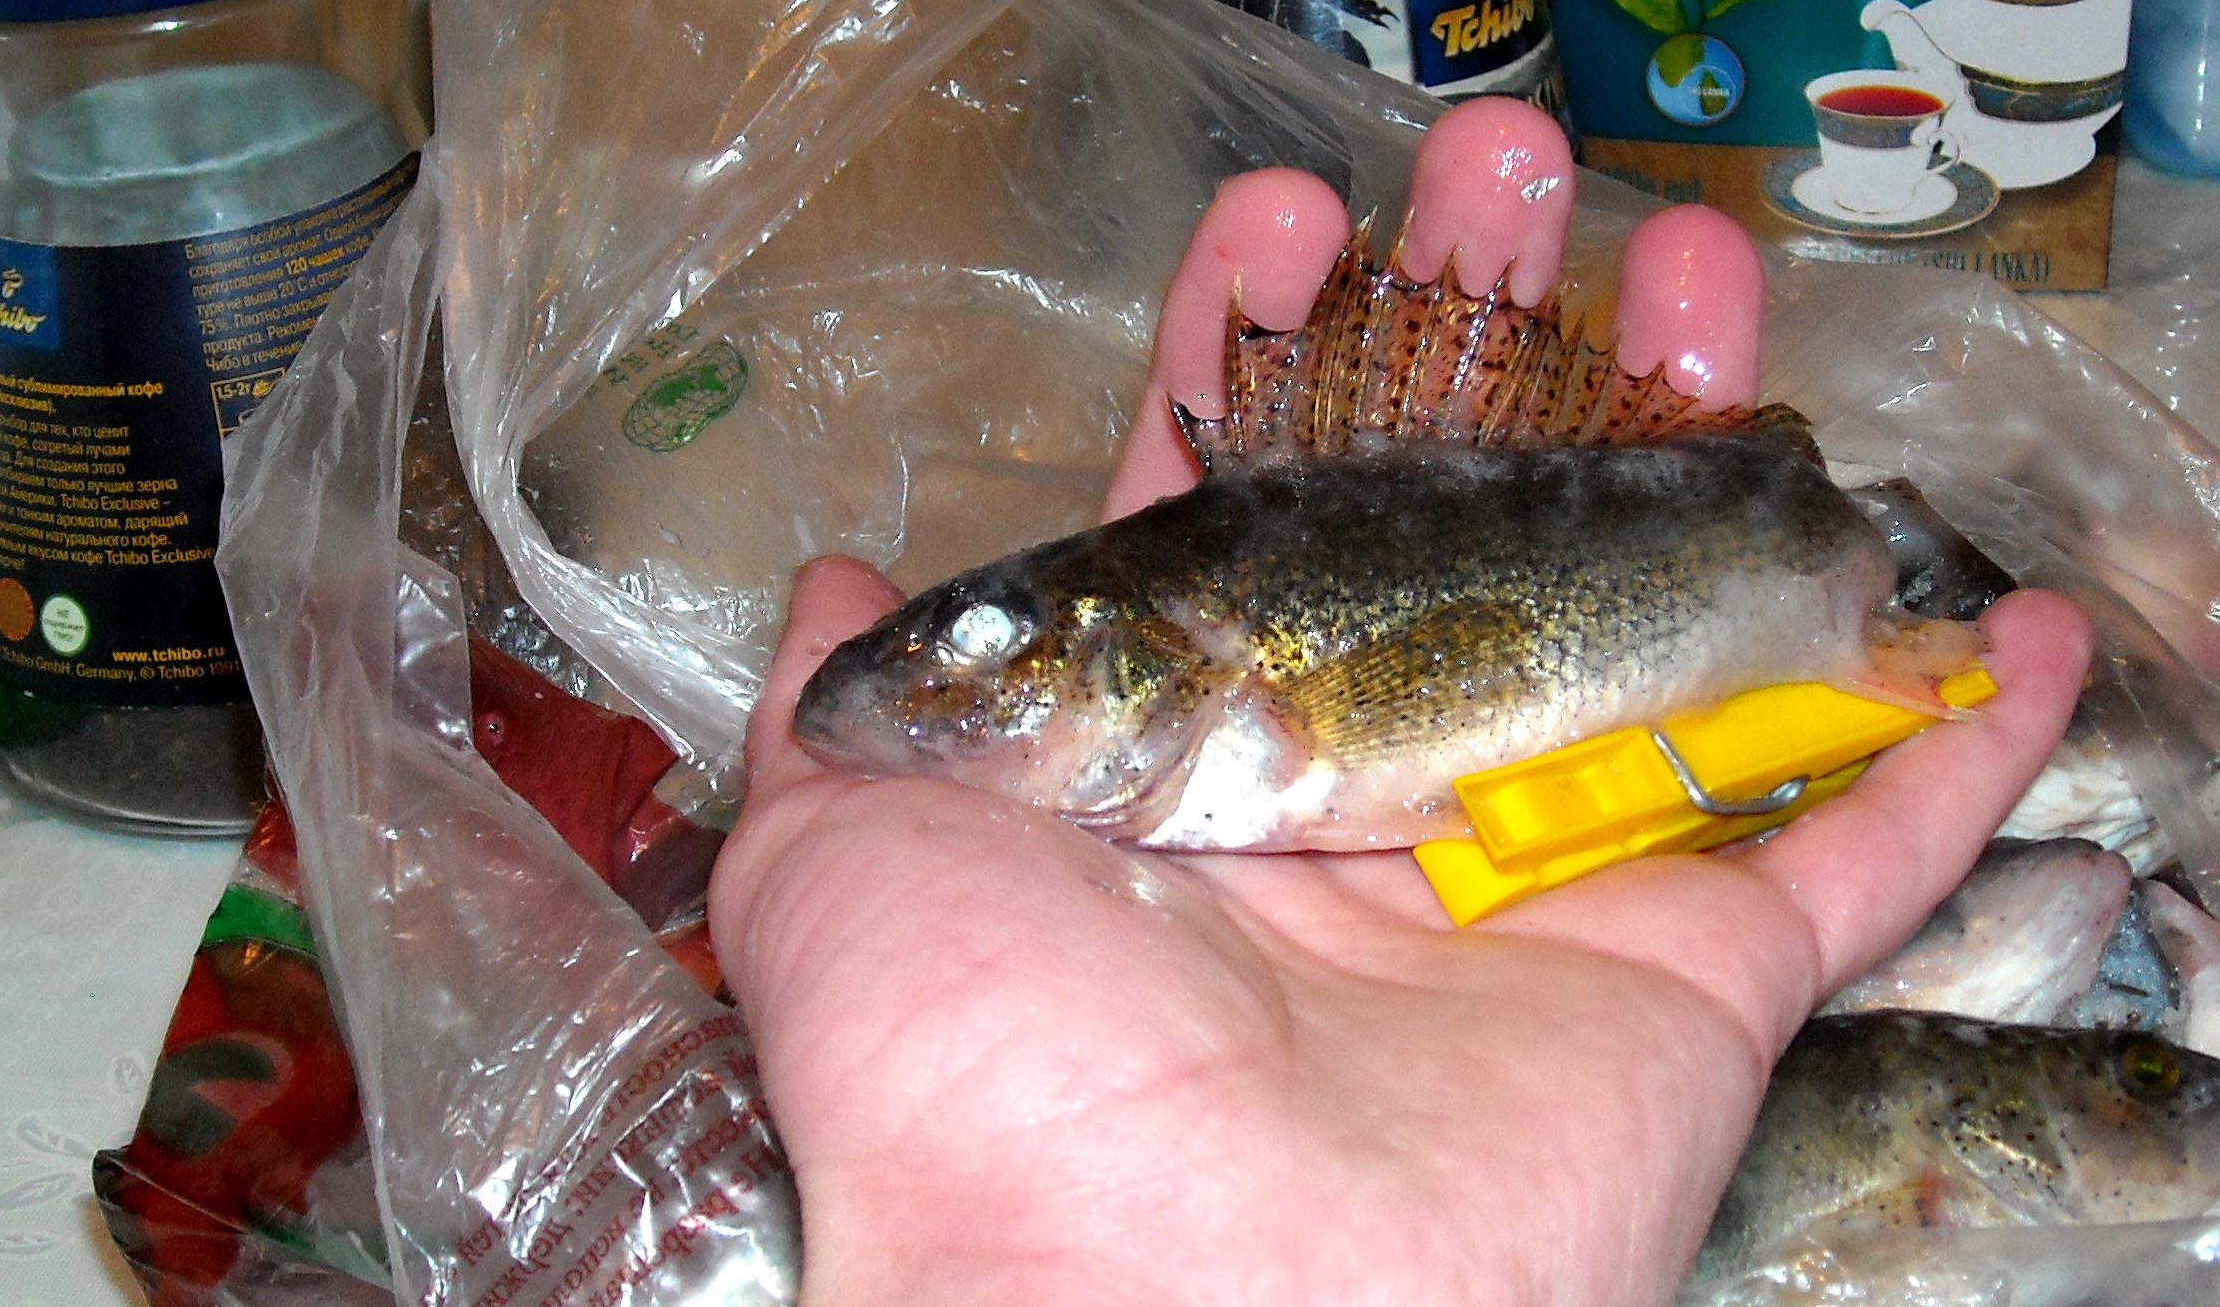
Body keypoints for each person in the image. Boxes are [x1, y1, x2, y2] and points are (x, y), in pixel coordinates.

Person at [706, 98, 2091, 1306]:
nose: (941, 681)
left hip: (1797, 574)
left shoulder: (1260, 677)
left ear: (1156, 652)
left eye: (990, 640)